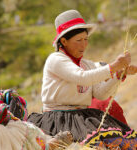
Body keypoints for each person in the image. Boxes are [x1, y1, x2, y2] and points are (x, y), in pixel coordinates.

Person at [28, 10, 137, 147]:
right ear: (64, 41)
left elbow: (100, 94)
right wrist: (114, 67)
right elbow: (83, 78)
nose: (84, 44)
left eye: (86, 39)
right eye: (79, 40)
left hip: (83, 116)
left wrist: (118, 75)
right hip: (58, 119)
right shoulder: (55, 60)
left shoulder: (87, 64)